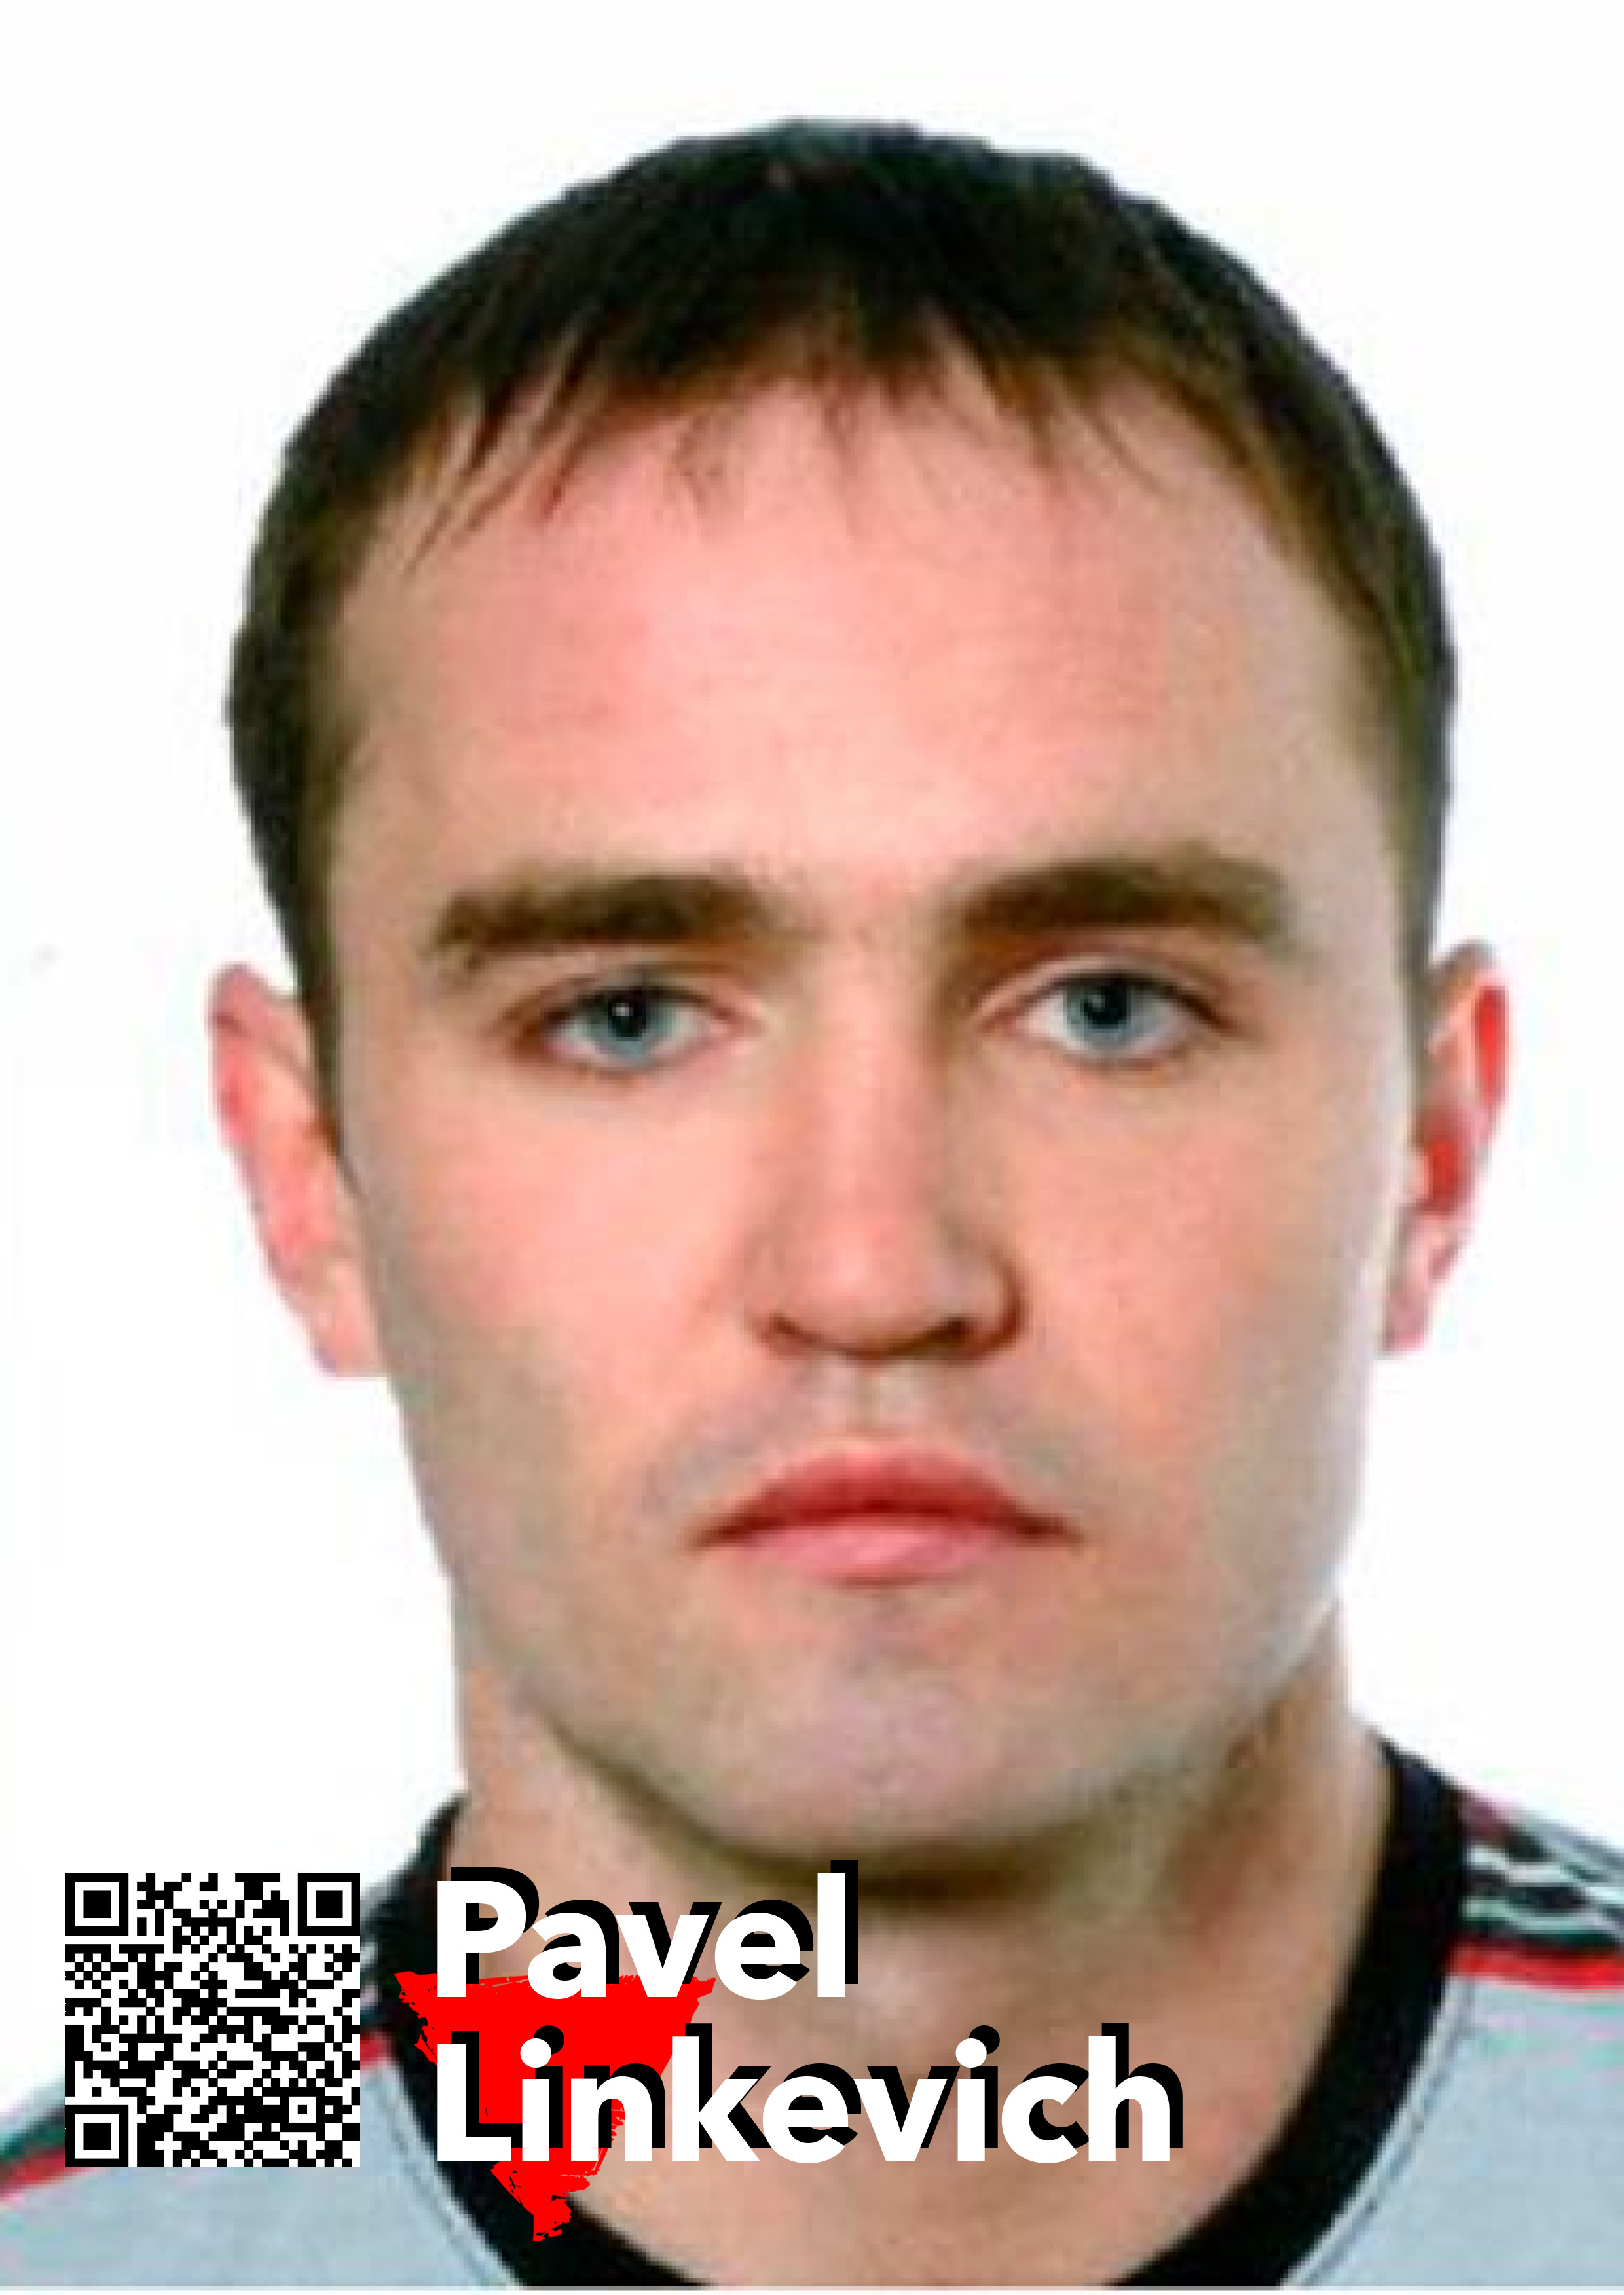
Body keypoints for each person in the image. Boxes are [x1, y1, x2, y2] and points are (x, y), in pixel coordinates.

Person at [3, 118, 1619, 2287]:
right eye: (627, 1017)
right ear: (308, 1174)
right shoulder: (104, 2188)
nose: (873, 1271)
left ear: (1435, 1147)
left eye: (1110, 1008)